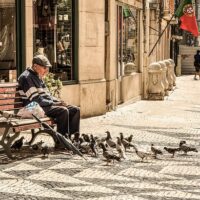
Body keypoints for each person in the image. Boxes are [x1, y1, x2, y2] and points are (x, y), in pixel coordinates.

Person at [18, 54, 80, 138]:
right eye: (44, 67)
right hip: (33, 108)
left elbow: (48, 95)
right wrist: (54, 104)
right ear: (35, 66)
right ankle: (61, 141)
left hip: (43, 106)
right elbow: (36, 100)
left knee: (75, 109)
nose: (46, 70)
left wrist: (58, 101)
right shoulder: (26, 77)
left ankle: (74, 139)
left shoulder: (38, 76)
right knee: (63, 111)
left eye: (47, 68)